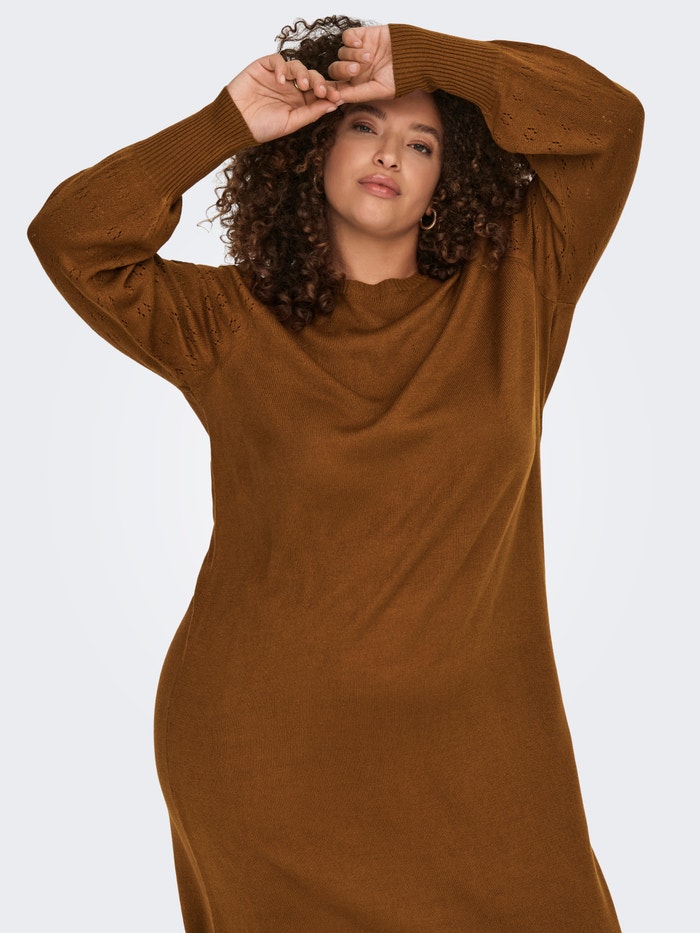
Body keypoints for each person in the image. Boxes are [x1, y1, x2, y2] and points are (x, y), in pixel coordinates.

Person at [28, 13, 644, 932]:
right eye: (364, 125)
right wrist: (224, 124)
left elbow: (610, 123)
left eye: (421, 141)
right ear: (314, 146)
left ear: (448, 179)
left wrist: (424, 57)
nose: (389, 151)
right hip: (267, 758)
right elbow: (71, 236)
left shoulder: (518, 287)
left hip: (483, 755)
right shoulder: (226, 322)